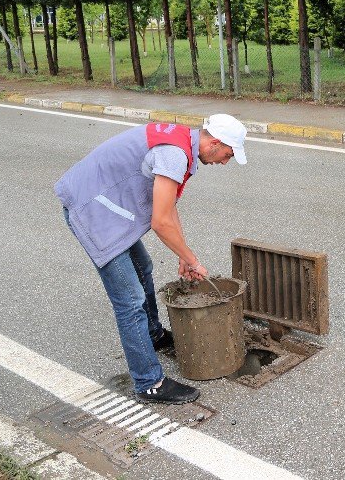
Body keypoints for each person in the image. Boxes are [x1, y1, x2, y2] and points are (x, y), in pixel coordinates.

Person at [55, 114, 248, 404]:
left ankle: (153, 335)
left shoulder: (183, 143)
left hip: (107, 206)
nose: (225, 161)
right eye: (228, 155)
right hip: (92, 210)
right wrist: (192, 260)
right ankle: (149, 383)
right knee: (130, 300)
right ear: (215, 143)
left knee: (143, 266)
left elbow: (169, 207)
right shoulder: (174, 154)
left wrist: (183, 254)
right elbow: (160, 221)